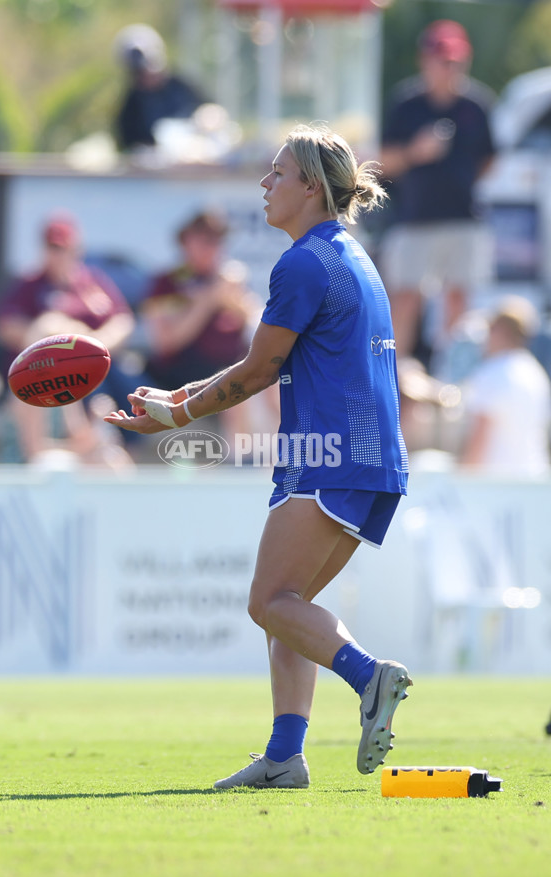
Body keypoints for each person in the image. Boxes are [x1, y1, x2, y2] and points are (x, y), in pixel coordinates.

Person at [104, 124, 412, 788]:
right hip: (367, 456)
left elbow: (258, 372)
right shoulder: (348, 254)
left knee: (270, 602)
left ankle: (369, 677)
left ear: (310, 186)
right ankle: (284, 755)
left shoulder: (302, 261)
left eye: (277, 173)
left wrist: (177, 415)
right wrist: (177, 395)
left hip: (327, 454)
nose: (264, 185)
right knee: (290, 604)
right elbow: (260, 365)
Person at [379, 19, 495, 363]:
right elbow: (382, 162)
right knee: (405, 299)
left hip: (463, 218)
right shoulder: (406, 103)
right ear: (425, 61)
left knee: (459, 302)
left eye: (456, 62)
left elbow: (490, 158)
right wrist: (416, 152)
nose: (450, 69)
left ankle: (450, 379)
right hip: (414, 218)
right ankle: (396, 376)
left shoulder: (477, 104)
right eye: (443, 61)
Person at [0, 214, 136, 467]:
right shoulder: (30, 389)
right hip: (25, 477)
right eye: (52, 248)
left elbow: (123, 320)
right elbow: (38, 454)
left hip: (99, 373)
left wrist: (91, 345)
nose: (57, 254)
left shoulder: (66, 383)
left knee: (114, 460)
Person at [139, 211, 267, 440]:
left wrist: (234, 298)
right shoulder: (167, 282)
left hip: (231, 365)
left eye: (217, 240)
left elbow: (257, 323)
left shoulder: (227, 279)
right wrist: (206, 302)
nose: (211, 247)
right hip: (183, 372)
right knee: (235, 384)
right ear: (186, 241)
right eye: (204, 240)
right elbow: (166, 341)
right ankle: (241, 463)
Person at [459, 296, 551, 475]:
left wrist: (464, 480)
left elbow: (479, 439)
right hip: (534, 479)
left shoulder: (490, 373)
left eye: (490, 329)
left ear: (499, 331)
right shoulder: (536, 374)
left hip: (497, 484)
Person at [114, 24, 205, 152]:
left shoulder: (181, 87)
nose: (148, 75)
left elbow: (208, 110)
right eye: (139, 72)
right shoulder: (131, 107)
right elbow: (128, 144)